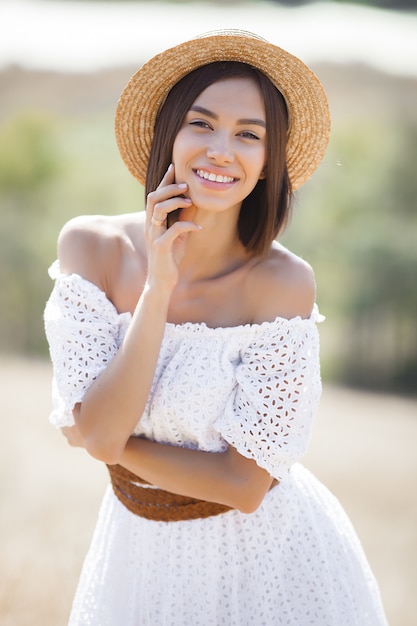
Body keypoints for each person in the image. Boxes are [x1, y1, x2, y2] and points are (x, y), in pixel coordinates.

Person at [44, 30, 388, 626]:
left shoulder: (283, 284)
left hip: (269, 564)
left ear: (268, 162)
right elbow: (97, 429)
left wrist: (105, 440)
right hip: (136, 554)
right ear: (169, 135)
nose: (221, 150)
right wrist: (158, 289)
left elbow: (244, 483)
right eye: (201, 124)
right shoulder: (90, 247)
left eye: (249, 135)